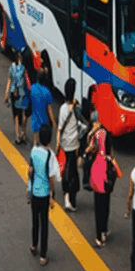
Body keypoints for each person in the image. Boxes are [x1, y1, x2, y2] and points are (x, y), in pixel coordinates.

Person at [28, 125, 60, 265]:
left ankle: (34, 245)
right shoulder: (50, 155)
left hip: (35, 193)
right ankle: (43, 255)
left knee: (35, 220)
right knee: (44, 224)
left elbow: (30, 171)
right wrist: (53, 193)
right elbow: (52, 177)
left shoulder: (34, 151)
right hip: (45, 194)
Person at [87, 122, 119, 247]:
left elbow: (89, 149)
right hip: (105, 175)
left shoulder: (96, 135)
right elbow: (111, 154)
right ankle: (103, 232)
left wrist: (91, 133)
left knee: (97, 206)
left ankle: (98, 235)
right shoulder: (108, 137)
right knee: (105, 206)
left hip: (96, 173)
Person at [56, 79, 80, 212]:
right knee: (73, 173)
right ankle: (71, 199)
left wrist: (57, 146)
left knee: (66, 170)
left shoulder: (62, 109)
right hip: (74, 145)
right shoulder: (76, 108)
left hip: (64, 144)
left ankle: (66, 198)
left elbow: (59, 128)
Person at [23, 67, 55, 147]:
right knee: (45, 143)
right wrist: (54, 123)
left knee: (35, 138)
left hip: (35, 119)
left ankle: (34, 152)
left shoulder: (33, 88)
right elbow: (49, 110)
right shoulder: (47, 92)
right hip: (44, 121)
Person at [4, 50, 28, 146]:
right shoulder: (23, 68)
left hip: (14, 93)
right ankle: (23, 132)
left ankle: (17, 136)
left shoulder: (12, 67)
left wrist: (6, 96)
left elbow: (9, 81)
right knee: (23, 113)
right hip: (22, 93)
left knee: (16, 115)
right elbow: (26, 81)